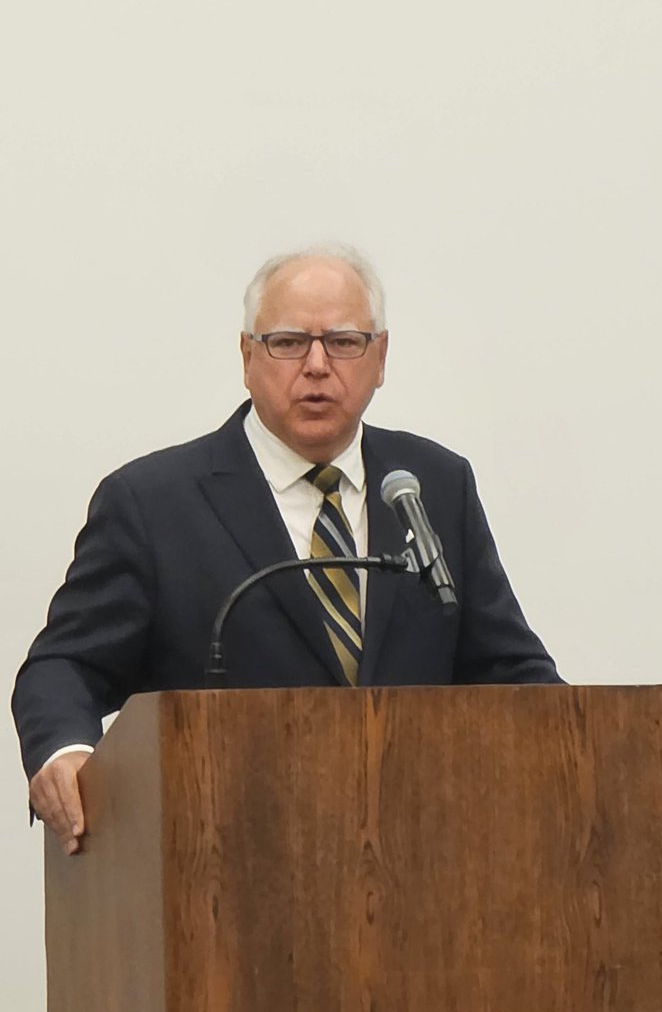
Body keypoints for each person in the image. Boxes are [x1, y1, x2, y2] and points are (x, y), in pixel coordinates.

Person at [12, 244, 561, 854]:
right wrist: (65, 753)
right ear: (247, 357)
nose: (318, 365)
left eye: (346, 342)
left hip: (422, 857)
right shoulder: (152, 504)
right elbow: (64, 667)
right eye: (289, 342)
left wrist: (575, 753)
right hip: (225, 860)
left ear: (380, 359)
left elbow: (512, 673)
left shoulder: (433, 484)